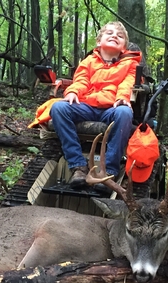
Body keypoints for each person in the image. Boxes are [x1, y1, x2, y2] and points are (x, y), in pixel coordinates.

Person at [50, 21, 142, 188]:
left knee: (125, 113)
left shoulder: (131, 64)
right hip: (87, 106)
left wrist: (123, 97)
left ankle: (107, 172)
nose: (115, 36)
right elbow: (81, 80)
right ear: (99, 42)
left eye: (120, 36)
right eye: (110, 33)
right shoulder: (89, 61)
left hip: (112, 108)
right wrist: (72, 92)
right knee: (58, 108)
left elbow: (128, 82)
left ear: (124, 47)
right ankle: (78, 166)